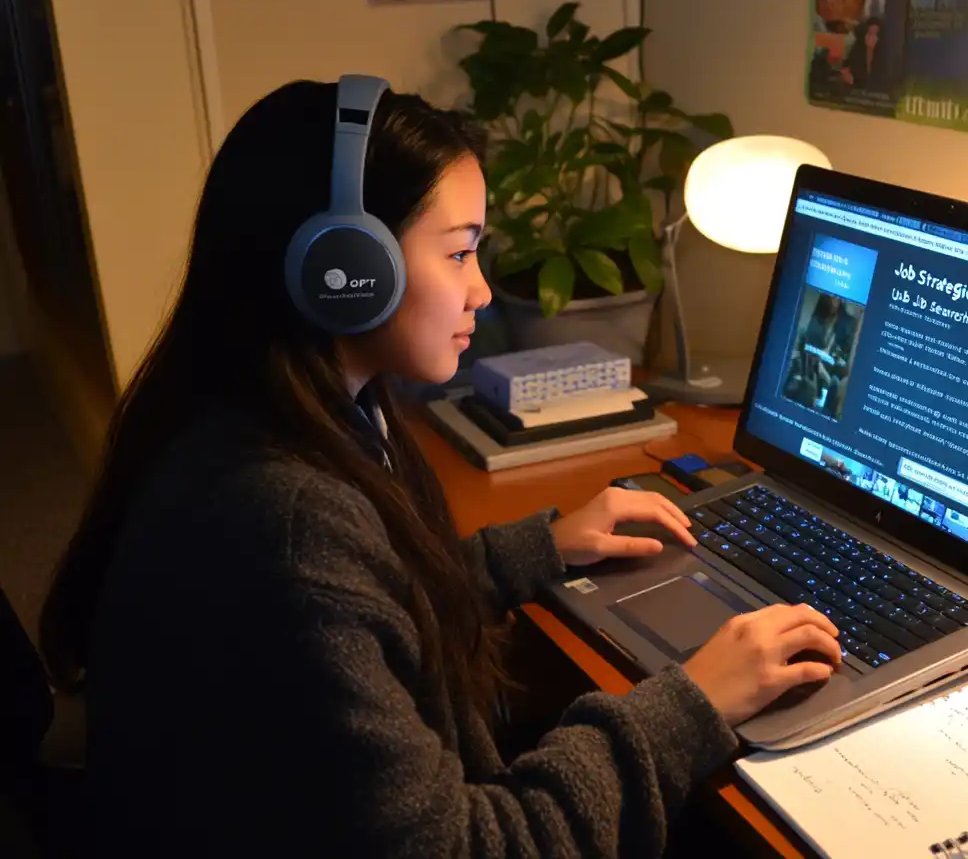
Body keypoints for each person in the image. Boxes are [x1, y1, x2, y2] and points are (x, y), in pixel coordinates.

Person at [36, 80, 843, 858]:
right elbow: (464, 847)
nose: (483, 291)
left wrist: (536, 548)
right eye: (458, 253)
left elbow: (369, 595)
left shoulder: (286, 415)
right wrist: (690, 704)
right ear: (346, 269)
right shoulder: (285, 524)